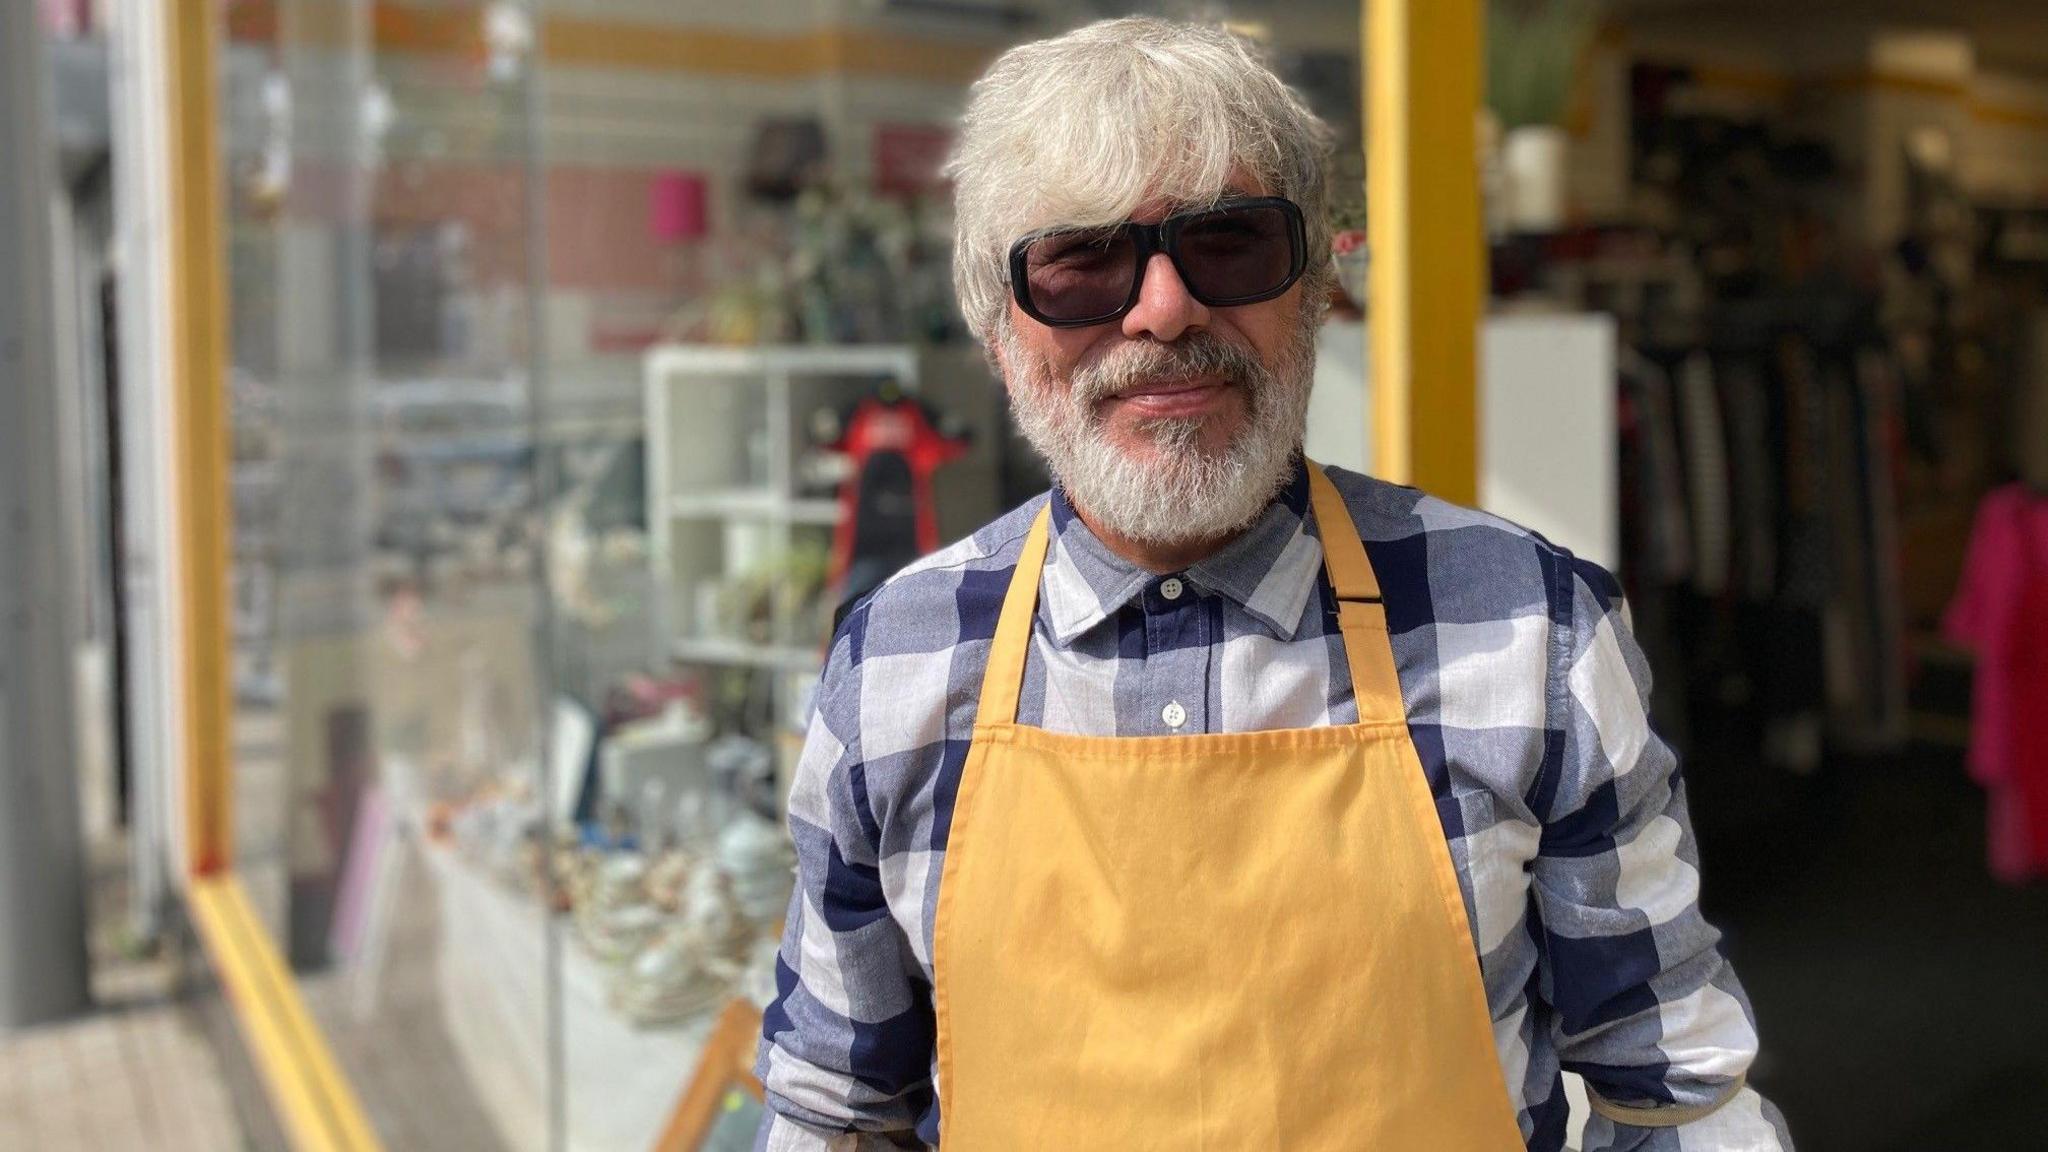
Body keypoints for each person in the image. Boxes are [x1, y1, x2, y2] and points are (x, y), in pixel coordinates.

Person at [756, 17, 1791, 1151]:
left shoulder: (1530, 630)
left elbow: (1676, 1099)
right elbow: (835, 1113)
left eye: (1230, 243)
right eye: (1080, 261)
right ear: (995, 325)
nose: (1161, 308)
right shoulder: (895, 665)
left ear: (1311, 290)